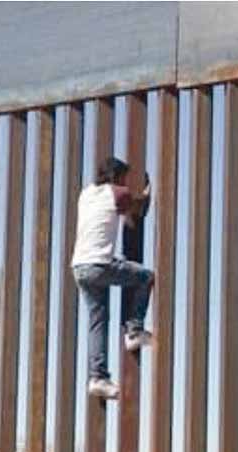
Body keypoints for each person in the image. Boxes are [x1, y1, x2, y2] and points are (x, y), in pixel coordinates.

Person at [72, 157, 154, 400]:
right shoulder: (119, 193)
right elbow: (137, 211)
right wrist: (147, 191)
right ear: (117, 176)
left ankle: (97, 377)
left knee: (98, 321)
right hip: (99, 264)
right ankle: (134, 330)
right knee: (145, 277)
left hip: (79, 266)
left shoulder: (86, 194)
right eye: (124, 178)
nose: (126, 182)